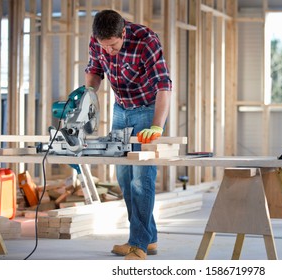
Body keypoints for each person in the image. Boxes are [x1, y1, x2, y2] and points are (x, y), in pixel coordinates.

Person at [84, 9, 172, 260]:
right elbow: (94, 70)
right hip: (121, 109)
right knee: (123, 176)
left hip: (147, 110)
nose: (109, 51)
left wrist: (156, 125)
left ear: (123, 33)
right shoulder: (97, 39)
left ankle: (139, 244)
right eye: (105, 46)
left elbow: (164, 85)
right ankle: (149, 237)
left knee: (141, 178)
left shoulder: (146, 40)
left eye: (113, 46)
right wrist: (88, 95)